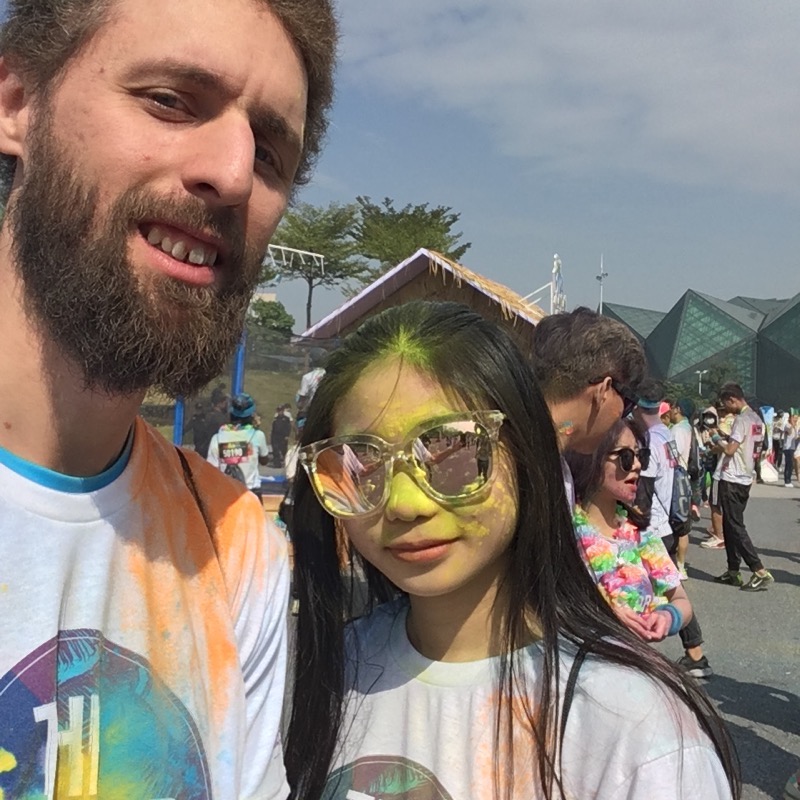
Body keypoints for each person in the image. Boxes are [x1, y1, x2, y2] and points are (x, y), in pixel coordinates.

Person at [0, 0, 336, 795]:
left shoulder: (236, 551)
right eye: (171, 101)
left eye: (271, 154)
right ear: (16, 104)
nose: (231, 172)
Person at [286, 300, 738, 800]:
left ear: (524, 454)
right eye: (358, 464)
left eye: (453, 451)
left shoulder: (633, 727)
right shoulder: (339, 662)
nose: (404, 504)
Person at [567, 418, 693, 643]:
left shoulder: (641, 533)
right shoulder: (564, 533)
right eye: (625, 456)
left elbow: (681, 601)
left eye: (640, 455)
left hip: (635, 666)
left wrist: (667, 617)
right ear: (591, 459)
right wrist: (600, 617)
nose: (637, 465)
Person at [530, 306, 647, 510]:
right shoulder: (514, 467)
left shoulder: (553, 465)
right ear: (604, 390)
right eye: (627, 404)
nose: (621, 419)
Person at [634, 380, 714, 679]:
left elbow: (644, 486)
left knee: (641, 588)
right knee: (668, 589)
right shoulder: (664, 434)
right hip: (666, 521)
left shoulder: (649, 441)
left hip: (652, 525)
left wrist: (633, 520)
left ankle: (694, 654)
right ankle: (695, 653)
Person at [712, 383, 774, 591]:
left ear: (732, 399)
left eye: (725, 403)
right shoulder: (757, 419)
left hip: (732, 477)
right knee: (731, 525)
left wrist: (716, 439)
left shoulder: (741, 420)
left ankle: (759, 570)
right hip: (745, 477)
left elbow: (730, 450)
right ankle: (733, 570)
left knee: (736, 526)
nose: (726, 408)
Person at [208, 392, 270, 499]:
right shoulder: (257, 435)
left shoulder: (217, 438)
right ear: (251, 415)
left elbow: (212, 469)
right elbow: (264, 460)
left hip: (227, 494)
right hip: (251, 493)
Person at [191, 385, 229, 459]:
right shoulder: (221, 419)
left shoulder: (206, 416)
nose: (226, 404)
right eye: (225, 402)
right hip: (215, 452)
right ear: (220, 403)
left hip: (202, 451)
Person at [295, 346, 327, 430]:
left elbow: (302, 402)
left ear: (311, 360)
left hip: (314, 413)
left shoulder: (307, 377)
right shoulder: (331, 375)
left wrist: (299, 407)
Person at [271, 403, 293, 467]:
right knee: (276, 450)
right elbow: (273, 428)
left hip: (283, 436)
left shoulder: (286, 418)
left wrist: (287, 435)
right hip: (275, 436)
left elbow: (288, 428)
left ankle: (286, 462)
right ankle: (277, 464)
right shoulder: (275, 419)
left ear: (283, 410)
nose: (279, 411)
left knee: (283, 450)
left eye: (281, 410)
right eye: (278, 410)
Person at [782, 413, 797, 488]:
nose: (795, 420)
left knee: (791, 465)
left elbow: (795, 437)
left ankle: (789, 479)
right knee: (789, 464)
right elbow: (789, 433)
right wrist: (792, 426)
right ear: (790, 419)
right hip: (787, 448)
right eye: (794, 418)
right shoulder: (787, 425)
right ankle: (787, 481)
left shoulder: (795, 427)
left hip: (792, 447)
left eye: (796, 418)